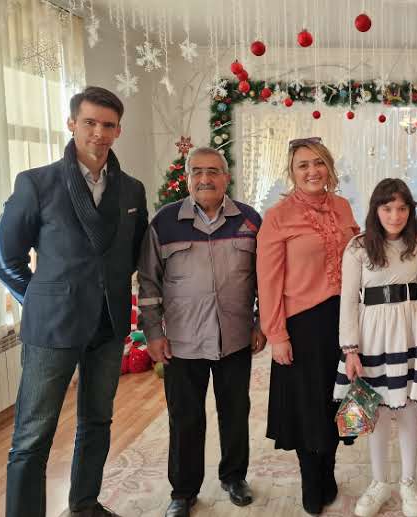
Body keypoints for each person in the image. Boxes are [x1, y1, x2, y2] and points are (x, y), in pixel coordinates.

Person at [0, 86, 148, 517]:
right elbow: (6, 260)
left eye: (108, 125)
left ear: (118, 131)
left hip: (109, 323)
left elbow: (133, 252)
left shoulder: (132, 191)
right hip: (52, 326)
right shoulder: (36, 183)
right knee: (32, 434)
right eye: (90, 122)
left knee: (97, 421)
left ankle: (84, 504)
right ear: (72, 124)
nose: (99, 132)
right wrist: (42, 301)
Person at [136, 147, 265, 517]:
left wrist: (260, 322)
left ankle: (234, 477)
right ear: (188, 177)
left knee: (235, 413)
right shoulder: (164, 223)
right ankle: (183, 491)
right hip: (182, 342)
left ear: (226, 177)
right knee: (185, 418)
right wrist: (153, 333)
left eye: (213, 171)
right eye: (197, 172)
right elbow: (148, 282)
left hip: (235, 338)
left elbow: (265, 279)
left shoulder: (249, 220)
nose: (205, 179)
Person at [257, 137, 360, 515]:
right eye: (303, 165)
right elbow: (268, 280)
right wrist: (276, 334)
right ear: (292, 172)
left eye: (319, 163)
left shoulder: (342, 207)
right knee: (307, 407)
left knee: (340, 400)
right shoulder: (278, 216)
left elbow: (360, 254)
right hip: (302, 324)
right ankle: (310, 477)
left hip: (344, 320)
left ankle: (328, 469)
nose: (312, 171)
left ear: (329, 168)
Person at [332, 178, 417, 517]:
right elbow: (348, 301)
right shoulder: (358, 247)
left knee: (408, 407)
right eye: (387, 208)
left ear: (410, 210)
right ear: (375, 210)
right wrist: (350, 349)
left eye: (401, 208)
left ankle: (408, 482)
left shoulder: (416, 243)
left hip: (410, 329)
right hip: (373, 332)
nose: (395, 216)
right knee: (377, 409)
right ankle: (379, 482)